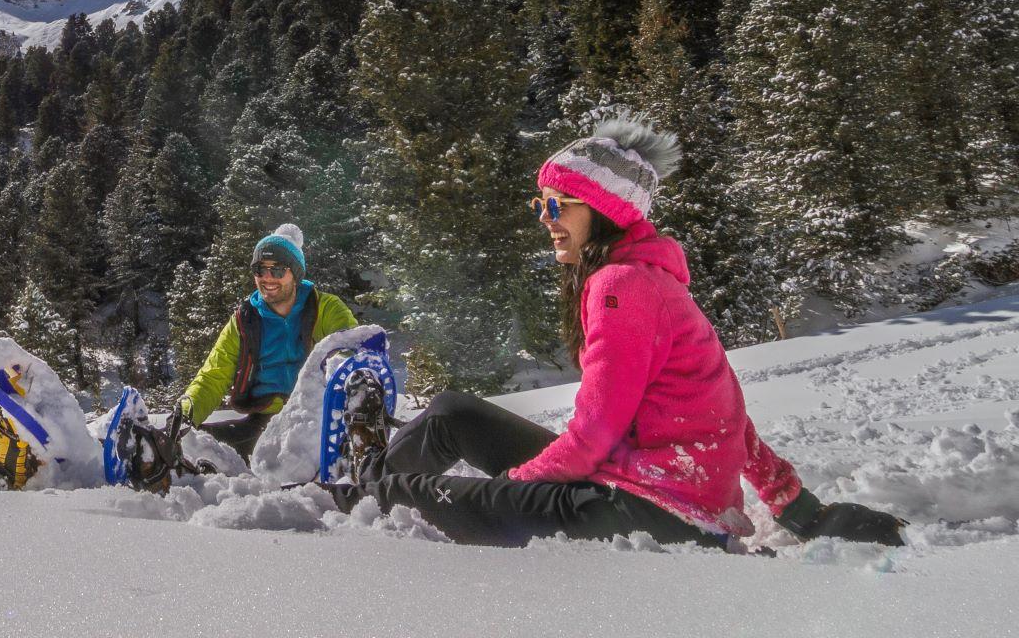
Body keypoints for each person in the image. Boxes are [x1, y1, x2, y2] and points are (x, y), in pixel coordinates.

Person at [361, 115, 907, 549]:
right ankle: (360, 485)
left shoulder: (622, 287)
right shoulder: (647, 282)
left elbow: (593, 435)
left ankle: (348, 503)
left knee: (408, 495)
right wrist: (796, 506)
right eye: (541, 203)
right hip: (644, 491)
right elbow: (726, 415)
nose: (545, 218)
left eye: (557, 205)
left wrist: (512, 489)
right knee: (452, 414)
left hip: (649, 513)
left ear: (602, 211)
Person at [178, 223, 358, 460]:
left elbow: (354, 353)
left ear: (295, 273)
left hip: (318, 421)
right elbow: (213, 377)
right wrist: (182, 415)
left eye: (278, 270)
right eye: (260, 270)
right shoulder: (245, 320)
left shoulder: (326, 309)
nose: (267, 278)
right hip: (263, 422)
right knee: (188, 444)